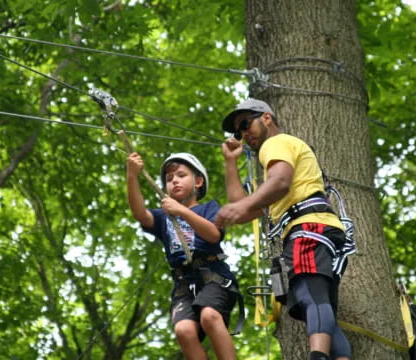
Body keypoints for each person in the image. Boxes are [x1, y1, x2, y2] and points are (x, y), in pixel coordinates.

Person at [215, 98, 352, 360]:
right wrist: (231, 162)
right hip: (321, 229)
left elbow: (279, 183)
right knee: (318, 301)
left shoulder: (276, 144)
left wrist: (241, 206)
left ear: (267, 118)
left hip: (307, 228)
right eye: (238, 131)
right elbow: (243, 208)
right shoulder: (275, 165)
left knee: (308, 292)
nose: (244, 133)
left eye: (246, 123)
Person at [127, 151, 238, 360]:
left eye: (181, 175)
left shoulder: (208, 208)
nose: (174, 181)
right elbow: (140, 213)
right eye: (169, 179)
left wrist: (182, 211)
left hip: (213, 275)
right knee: (184, 331)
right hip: (184, 282)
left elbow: (214, 235)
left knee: (209, 315)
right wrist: (132, 175)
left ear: (198, 181)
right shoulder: (162, 217)